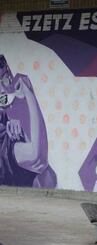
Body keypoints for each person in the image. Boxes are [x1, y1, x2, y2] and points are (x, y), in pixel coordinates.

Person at [0, 55, 56, 187]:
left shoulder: (6, 118)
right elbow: (37, 158)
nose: (3, 90)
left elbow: (48, 177)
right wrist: (29, 94)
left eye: (5, 79)